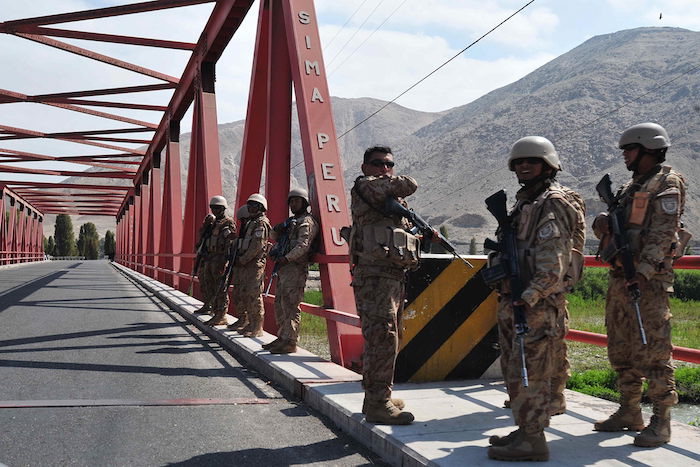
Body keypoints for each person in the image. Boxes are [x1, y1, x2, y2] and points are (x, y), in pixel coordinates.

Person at [486, 136, 584, 462]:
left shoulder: (551, 202)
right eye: (519, 162)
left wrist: (528, 297)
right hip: (517, 299)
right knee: (515, 369)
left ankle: (533, 439)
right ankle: (524, 429)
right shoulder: (527, 202)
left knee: (532, 372)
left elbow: (552, 262)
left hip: (534, 304)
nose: (524, 166)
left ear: (548, 166)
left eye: (533, 161)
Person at [592, 123, 687, 447]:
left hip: (647, 283)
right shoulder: (632, 186)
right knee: (621, 348)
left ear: (648, 150)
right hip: (622, 278)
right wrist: (602, 224)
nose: (624, 156)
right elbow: (620, 230)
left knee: (655, 352)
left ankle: (661, 421)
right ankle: (630, 410)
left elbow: (663, 232)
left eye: (629, 150)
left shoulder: (667, 183)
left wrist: (643, 272)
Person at [349, 146, 419, 425]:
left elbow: (400, 231)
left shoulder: (391, 198)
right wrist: (396, 182)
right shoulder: (367, 186)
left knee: (390, 336)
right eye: (378, 163)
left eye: (389, 164)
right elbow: (410, 183)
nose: (384, 168)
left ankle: (378, 398)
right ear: (365, 167)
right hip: (375, 275)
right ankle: (378, 403)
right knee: (382, 336)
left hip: (392, 274)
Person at [230, 193, 271, 338]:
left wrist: (244, 259)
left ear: (260, 207)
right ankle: (248, 322)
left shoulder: (261, 223)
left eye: (254, 205)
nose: (251, 208)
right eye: (249, 205)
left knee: (254, 295)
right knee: (243, 293)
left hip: (254, 265)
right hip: (245, 264)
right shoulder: (251, 223)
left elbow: (256, 246)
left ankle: (257, 326)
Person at [196, 196, 236, 326]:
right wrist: (205, 226)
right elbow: (201, 239)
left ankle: (221, 314)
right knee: (208, 283)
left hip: (220, 259)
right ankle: (209, 307)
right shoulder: (211, 223)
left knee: (220, 287)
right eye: (213, 208)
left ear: (223, 208)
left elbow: (230, 240)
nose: (215, 210)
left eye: (218, 208)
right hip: (209, 257)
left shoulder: (228, 222)